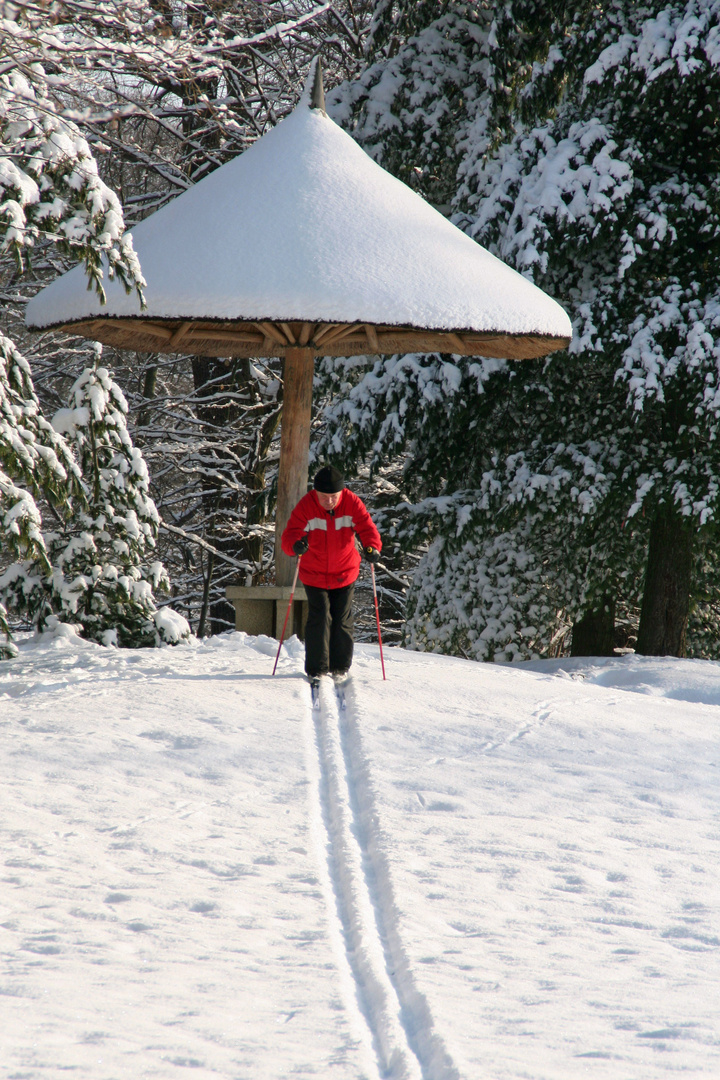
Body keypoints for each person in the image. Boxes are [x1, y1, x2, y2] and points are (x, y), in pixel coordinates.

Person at [281, 465, 381, 686]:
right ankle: (316, 669)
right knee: (320, 615)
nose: (329, 501)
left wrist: (372, 547)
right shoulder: (306, 506)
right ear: (315, 492)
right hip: (314, 574)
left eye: (333, 497)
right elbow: (290, 535)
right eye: (324, 497)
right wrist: (295, 546)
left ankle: (340, 667)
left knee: (342, 617)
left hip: (345, 572)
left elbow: (366, 527)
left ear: (341, 492)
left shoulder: (351, 502)